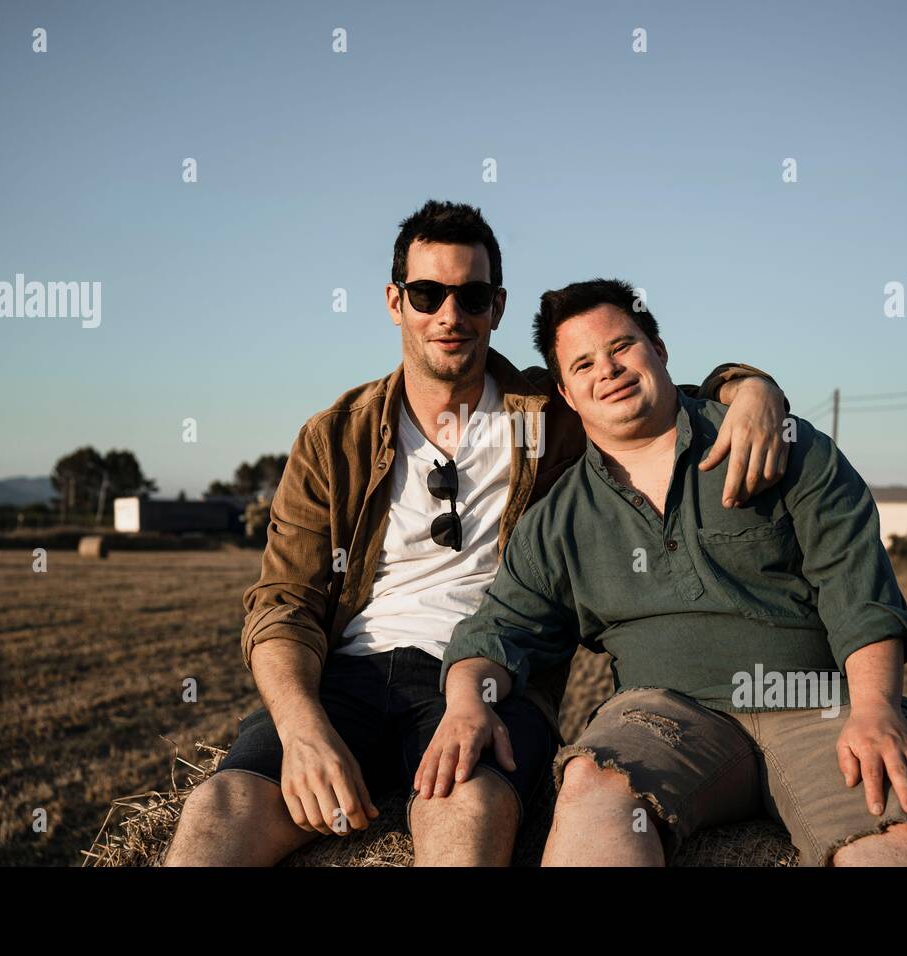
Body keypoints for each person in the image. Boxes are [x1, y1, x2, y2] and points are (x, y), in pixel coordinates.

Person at [164, 204, 791, 866]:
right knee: (219, 809)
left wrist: (751, 386)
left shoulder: (555, 415)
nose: (449, 315)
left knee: (464, 809)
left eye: (471, 296)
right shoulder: (334, 437)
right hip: (344, 677)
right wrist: (302, 731)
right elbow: (282, 604)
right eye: (428, 293)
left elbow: (665, 398)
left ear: (496, 306)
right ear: (394, 301)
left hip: (488, 677)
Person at [431, 277, 907, 866]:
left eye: (622, 347)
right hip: (662, 721)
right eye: (583, 364)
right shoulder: (559, 519)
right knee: (592, 787)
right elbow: (498, 629)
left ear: (660, 351)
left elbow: (859, 591)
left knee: (892, 835)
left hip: (822, 705)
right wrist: (467, 701)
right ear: (568, 395)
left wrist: (877, 707)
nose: (609, 369)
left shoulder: (781, 445)